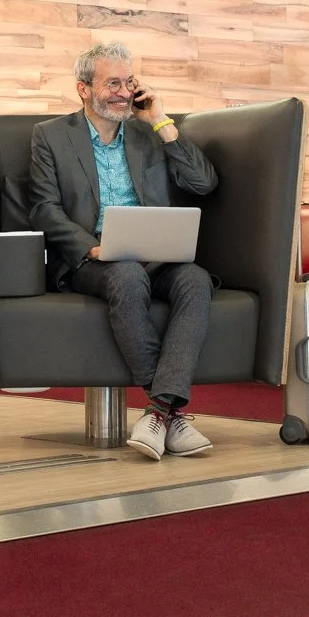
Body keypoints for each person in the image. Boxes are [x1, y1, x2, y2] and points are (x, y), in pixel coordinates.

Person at [28, 41, 219, 460]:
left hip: (156, 255)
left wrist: (161, 121)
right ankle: (169, 413)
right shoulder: (51, 137)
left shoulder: (149, 132)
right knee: (127, 275)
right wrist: (92, 249)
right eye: (112, 82)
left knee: (196, 280)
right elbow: (43, 209)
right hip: (94, 260)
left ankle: (159, 412)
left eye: (128, 81)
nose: (123, 91)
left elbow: (203, 184)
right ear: (83, 89)